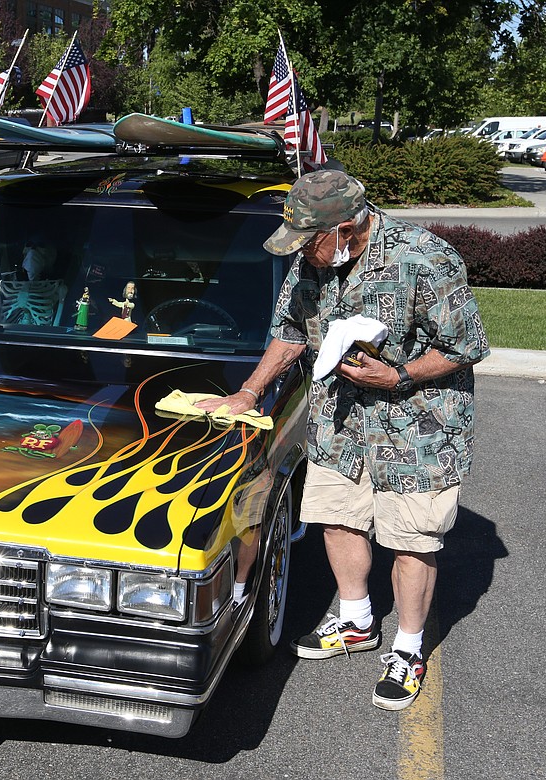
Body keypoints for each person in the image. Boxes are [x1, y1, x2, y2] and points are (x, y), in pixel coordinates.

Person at [196, 170, 489, 711]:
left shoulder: (425, 258)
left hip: (418, 430)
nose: (301, 252)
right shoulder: (313, 260)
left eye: (308, 241)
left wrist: (398, 376)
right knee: (337, 518)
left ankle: (408, 649)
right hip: (339, 423)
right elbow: (290, 331)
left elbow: (465, 346)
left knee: (411, 540)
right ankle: (355, 621)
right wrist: (248, 392)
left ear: (347, 229)